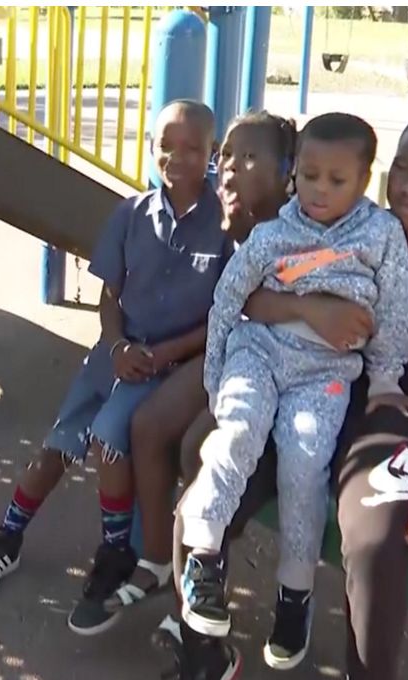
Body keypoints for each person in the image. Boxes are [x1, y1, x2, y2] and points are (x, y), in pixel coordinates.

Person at [170, 112, 408, 680]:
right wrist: (310, 311)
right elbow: (250, 299)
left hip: (386, 419)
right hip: (296, 391)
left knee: (374, 539)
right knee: (207, 468)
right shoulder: (330, 224)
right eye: (403, 169)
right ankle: (201, 650)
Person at [0, 100, 233, 636]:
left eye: (193, 148)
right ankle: (8, 536)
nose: (177, 158)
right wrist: (115, 343)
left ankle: (114, 553)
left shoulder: (223, 225)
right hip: (116, 356)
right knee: (57, 447)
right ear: (151, 149)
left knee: (109, 441)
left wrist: (165, 353)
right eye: (166, 146)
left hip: (163, 367)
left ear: (212, 153)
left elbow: (224, 315)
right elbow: (111, 294)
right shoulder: (131, 213)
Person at [108, 110, 299, 616]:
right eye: (227, 156)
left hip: (277, 368)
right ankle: (156, 560)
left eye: (249, 157)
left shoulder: (298, 228)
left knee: (199, 449)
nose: (230, 169)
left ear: (286, 173)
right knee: (147, 425)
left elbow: (290, 307)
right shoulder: (229, 214)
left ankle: (196, 599)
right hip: (229, 346)